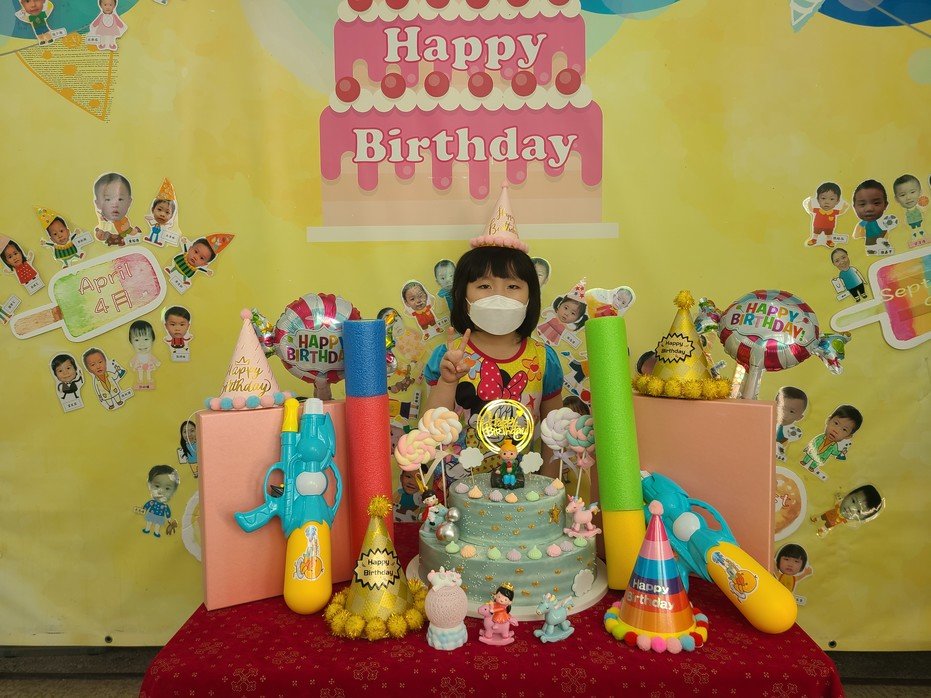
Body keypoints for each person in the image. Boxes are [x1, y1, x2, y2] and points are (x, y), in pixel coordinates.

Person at [423, 244, 563, 477]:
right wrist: (448, 382)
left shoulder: (543, 358)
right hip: (456, 490)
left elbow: (554, 436)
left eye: (513, 286)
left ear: (531, 296)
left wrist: (552, 489)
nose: (499, 296)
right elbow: (429, 432)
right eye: (484, 286)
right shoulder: (447, 355)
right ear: (462, 294)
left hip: (522, 491)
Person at [800, 404, 863, 479]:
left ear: (847, 436)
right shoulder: (820, 437)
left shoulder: (834, 446)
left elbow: (835, 452)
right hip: (812, 451)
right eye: (836, 423)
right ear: (828, 420)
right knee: (809, 455)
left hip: (819, 460)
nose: (836, 430)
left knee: (816, 462)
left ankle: (812, 467)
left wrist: (841, 453)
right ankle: (805, 461)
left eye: (844, 429)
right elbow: (814, 442)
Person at [812, 484, 883, 537]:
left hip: (833, 522)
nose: (851, 508)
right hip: (829, 513)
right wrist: (838, 496)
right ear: (848, 494)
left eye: (858, 511)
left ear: (860, 519)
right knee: (823, 516)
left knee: (828, 526)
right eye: (853, 501)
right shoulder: (838, 504)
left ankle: (822, 530)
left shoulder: (846, 521)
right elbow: (838, 499)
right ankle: (817, 519)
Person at [93, 172, 141, 246]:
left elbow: (126, 224)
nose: (115, 205)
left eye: (120, 199)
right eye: (108, 199)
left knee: (131, 232)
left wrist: (126, 227)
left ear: (129, 202)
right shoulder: (103, 223)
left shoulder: (124, 220)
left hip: (127, 239)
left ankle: (136, 230)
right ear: (98, 204)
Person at [536, 281, 588, 346]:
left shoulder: (565, 325)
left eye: (573, 313)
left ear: (578, 319)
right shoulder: (554, 315)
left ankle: (550, 341)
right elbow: (547, 313)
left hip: (556, 336)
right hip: (538, 333)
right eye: (566, 308)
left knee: (554, 336)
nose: (566, 314)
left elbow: (570, 330)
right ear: (560, 304)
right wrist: (545, 313)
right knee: (544, 329)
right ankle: (541, 332)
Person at [851, 179, 894, 256]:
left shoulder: (885, 221)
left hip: (882, 239)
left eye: (876, 203)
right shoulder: (862, 224)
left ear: (885, 205)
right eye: (862, 204)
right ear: (854, 207)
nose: (869, 208)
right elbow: (856, 237)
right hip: (869, 241)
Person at [804, 182, 848, 248]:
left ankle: (829, 241)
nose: (827, 202)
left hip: (829, 227)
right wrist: (809, 203)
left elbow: (841, 212)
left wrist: (844, 207)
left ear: (837, 201)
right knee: (816, 233)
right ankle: (814, 239)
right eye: (823, 198)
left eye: (832, 199)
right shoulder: (818, 210)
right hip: (817, 225)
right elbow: (811, 209)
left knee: (829, 234)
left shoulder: (833, 212)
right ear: (818, 199)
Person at [140, 465, 180, 538]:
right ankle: (147, 529)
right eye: (157, 486)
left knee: (157, 525)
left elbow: (167, 512)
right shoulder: (152, 502)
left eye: (167, 488)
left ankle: (156, 532)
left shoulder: (165, 506)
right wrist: (144, 509)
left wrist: (169, 519)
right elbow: (147, 505)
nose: (161, 491)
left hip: (159, 517)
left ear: (173, 492)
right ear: (149, 485)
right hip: (151, 514)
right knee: (149, 522)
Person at [893, 173, 928, 249]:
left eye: (912, 192)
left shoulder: (926, 212)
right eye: (902, 195)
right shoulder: (898, 220)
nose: (908, 197)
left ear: (920, 192)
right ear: (896, 199)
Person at [774, 386, 807, 462]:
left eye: (791, 411)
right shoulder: (765, 421)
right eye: (781, 408)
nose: (784, 414)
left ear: (799, 417)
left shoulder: (793, 432)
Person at [128, 320, 160, 389]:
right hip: (139, 364)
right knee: (140, 371)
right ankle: (140, 380)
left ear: (153, 339)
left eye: (146, 339)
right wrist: (131, 363)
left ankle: (149, 379)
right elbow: (134, 359)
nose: (142, 344)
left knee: (148, 371)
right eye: (136, 340)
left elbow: (153, 358)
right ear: (131, 342)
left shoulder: (150, 355)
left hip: (148, 364)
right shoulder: (136, 357)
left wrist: (157, 362)